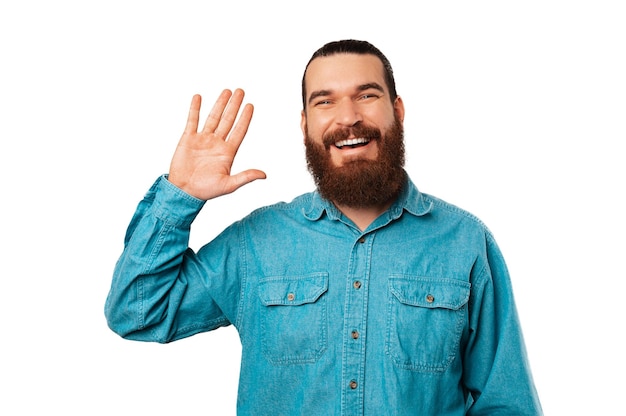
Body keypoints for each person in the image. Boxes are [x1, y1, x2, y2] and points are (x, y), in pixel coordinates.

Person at [105, 39, 543, 415]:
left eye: (366, 95)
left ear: (397, 110)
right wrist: (180, 196)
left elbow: (505, 404)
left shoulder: (464, 241)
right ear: (305, 125)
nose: (347, 117)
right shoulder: (257, 242)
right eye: (325, 100)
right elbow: (137, 311)